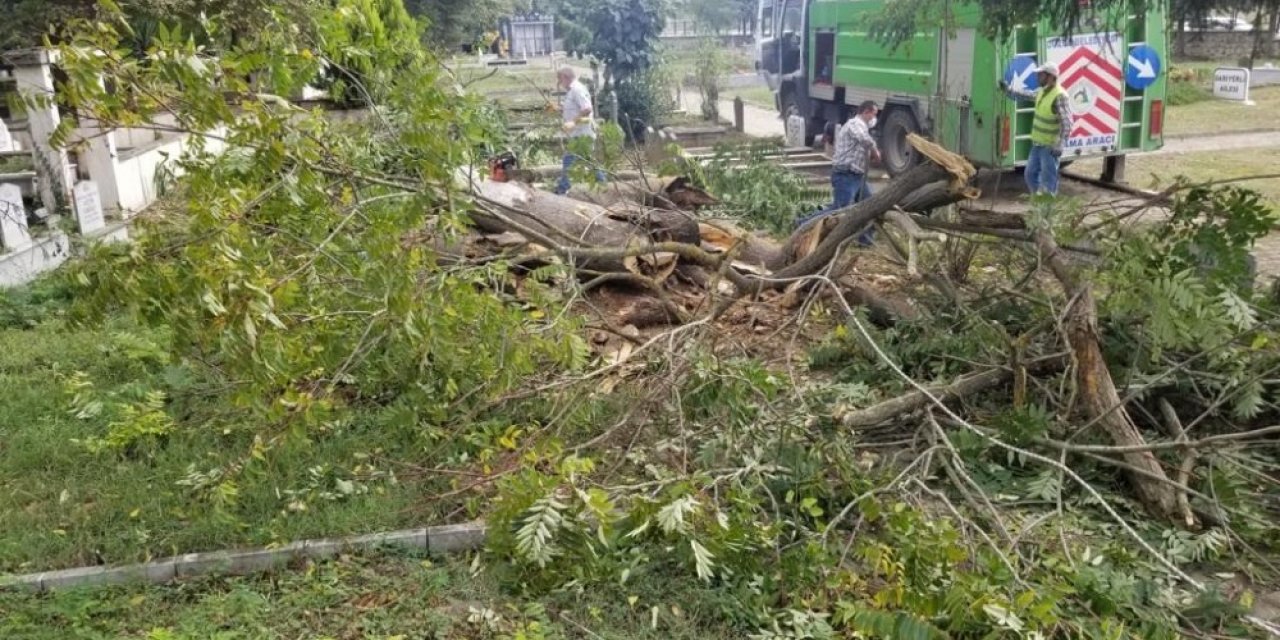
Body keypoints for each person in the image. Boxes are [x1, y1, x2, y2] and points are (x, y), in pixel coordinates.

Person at [795, 101, 881, 246]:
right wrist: (875, 152)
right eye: (874, 114)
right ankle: (803, 225)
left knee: (869, 205)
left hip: (858, 175)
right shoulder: (855, 124)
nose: (875, 118)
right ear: (866, 112)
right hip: (846, 174)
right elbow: (864, 139)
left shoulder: (863, 126)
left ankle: (865, 240)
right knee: (839, 211)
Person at [998, 62, 1073, 197]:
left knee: (1048, 182)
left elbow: (1067, 123)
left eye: (1041, 75)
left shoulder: (1060, 96)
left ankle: (1046, 212)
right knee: (1030, 175)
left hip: (1049, 147)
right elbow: (1026, 95)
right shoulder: (1042, 91)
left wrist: (1061, 144)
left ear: (1050, 77)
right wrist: (1008, 89)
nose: (1038, 77)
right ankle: (1038, 203)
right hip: (1037, 144)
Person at [554, 67, 605, 195]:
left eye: (560, 80)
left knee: (568, 159)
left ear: (565, 77)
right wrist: (559, 109)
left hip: (582, 134)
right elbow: (575, 109)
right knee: (587, 161)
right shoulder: (572, 91)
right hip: (578, 134)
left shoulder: (577, 89)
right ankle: (604, 184)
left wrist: (573, 122)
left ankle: (563, 189)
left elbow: (587, 108)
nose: (560, 84)